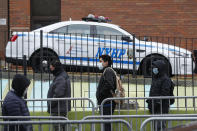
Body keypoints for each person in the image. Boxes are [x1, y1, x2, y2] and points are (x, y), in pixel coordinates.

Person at [146, 60, 172, 131]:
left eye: (155, 67)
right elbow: (153, 91)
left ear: (160, 68)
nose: (153, 69)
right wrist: (150, 102)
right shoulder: (155, 78)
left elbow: (164, 94)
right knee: (156, 127)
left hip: (161, 108)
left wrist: (156, 103)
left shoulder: (166, 79)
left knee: (160, 127)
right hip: (154, 107)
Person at [47, 60, 71, 131]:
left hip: (58, 109)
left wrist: (51, 104)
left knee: (58, 128)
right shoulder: (62, 75)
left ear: (56, 68)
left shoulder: (60, 77)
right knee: (62, 127)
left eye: (51, 69)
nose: (50, 70)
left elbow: (58, 94)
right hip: (60, 107)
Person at [96, 55, 116, 131]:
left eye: (101, 61)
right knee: (106, 123)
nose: (99, 63)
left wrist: (101, 94)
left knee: (107, 124)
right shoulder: (107, 71)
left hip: (107, 102)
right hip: (105, 102)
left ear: (106, 62)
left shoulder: (108, 71)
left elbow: (109, 84)